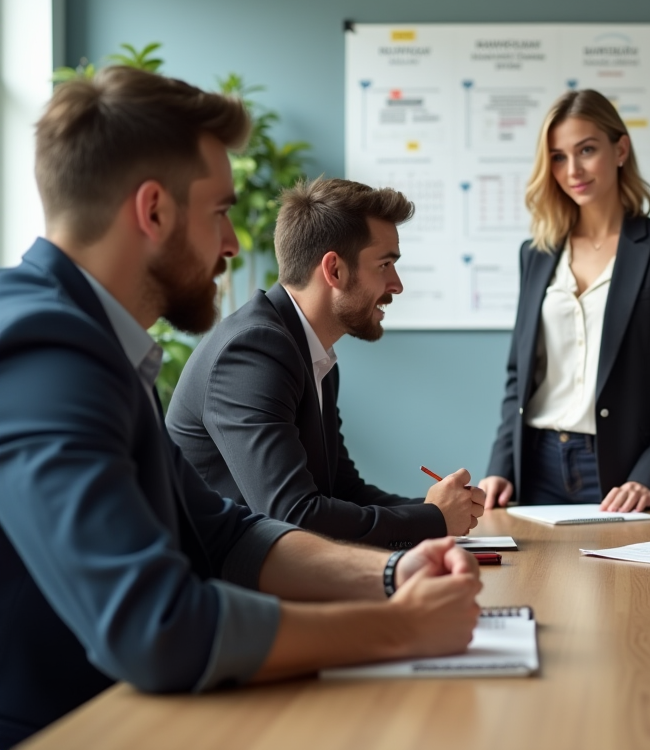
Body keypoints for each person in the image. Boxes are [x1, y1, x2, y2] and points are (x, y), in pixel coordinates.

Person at [0, 66, 482, 748]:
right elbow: (156, 626)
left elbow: (221, 532)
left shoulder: (98, 342)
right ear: (154, 210)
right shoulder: (45, 352)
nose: (233, 244)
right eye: (221, 212)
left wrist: (389, 572)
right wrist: (402, 625)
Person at [166, 178, 486, 549]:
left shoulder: (310, 352)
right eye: (384, 265)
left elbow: (342, 490)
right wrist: (432, 519)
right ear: (334, 270)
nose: (396, 285)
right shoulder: (254, 350)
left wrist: (446, 509)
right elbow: (293, 516)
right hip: (222, 589)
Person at [479, 90, 650, 512]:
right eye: (557, 157)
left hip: (627, 474)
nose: (572, 170)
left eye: (586, 150)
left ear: (620, 148)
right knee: (534, 580)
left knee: (627, 581)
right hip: (536, 465)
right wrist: (502, 464)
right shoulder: (535, 253)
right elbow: (520, 374)